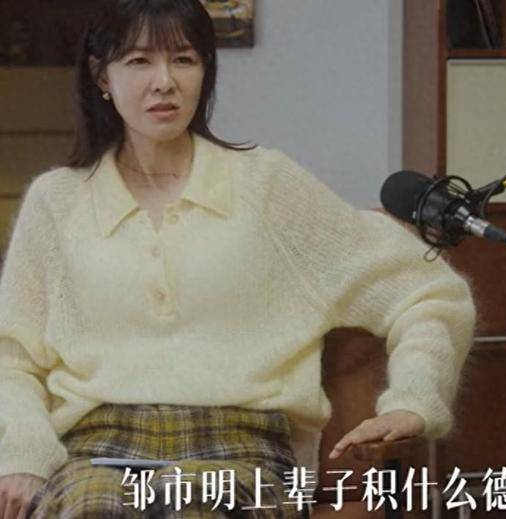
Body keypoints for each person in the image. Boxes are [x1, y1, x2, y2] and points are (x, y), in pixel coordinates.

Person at [0, 0, 476, 517]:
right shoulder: (56, 201)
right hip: (95, 448)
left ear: (205, 71)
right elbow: (13, 357)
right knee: (91, 509)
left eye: (184, 59)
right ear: (102, 77)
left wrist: (414, 399)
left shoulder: (267, 186)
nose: (164, 82)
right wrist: (23, 453)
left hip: (240, 446)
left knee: (190, 503)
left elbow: (427, 291)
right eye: (139, 61)